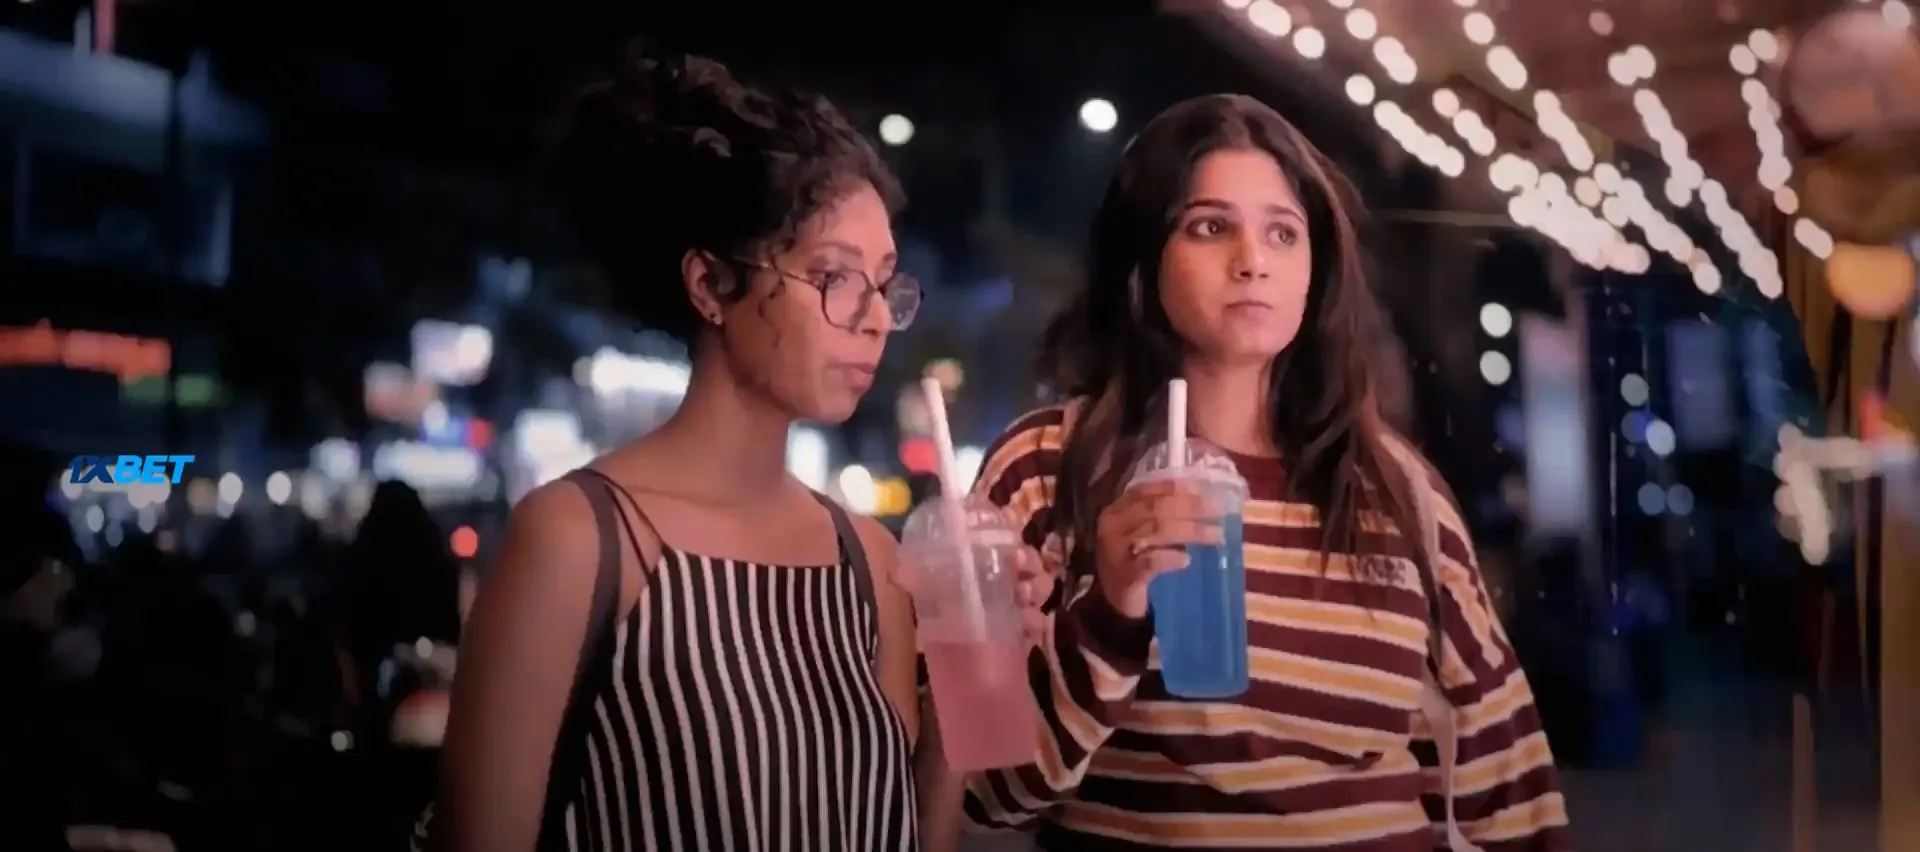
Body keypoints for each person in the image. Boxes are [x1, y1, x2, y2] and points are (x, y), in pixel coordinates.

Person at [433, 47, 1047, 852]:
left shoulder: (871, 563)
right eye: (834, 278)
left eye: (884, 284)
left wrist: (976, 680)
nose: (874, 319)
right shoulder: (579, 541)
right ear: (711, 284)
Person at [943, 95, 1571, 851]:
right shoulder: (1047, 468)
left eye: (1283, 233)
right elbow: (989, 793)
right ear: (1142, 258)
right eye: (1210, 227)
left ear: (1316, 271)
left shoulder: (1396, 490)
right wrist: (1107, 614)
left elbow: (1507, 783)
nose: (1253, 260)